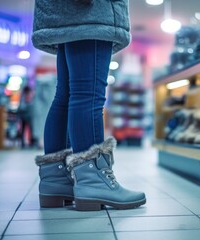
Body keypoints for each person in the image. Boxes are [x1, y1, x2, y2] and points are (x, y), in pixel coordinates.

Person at [32, 0, 146, 210]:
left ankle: (55, 180)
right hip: (90, 12)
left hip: (66, 13)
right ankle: (94, 181)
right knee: (88, 95)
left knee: (65, 97)